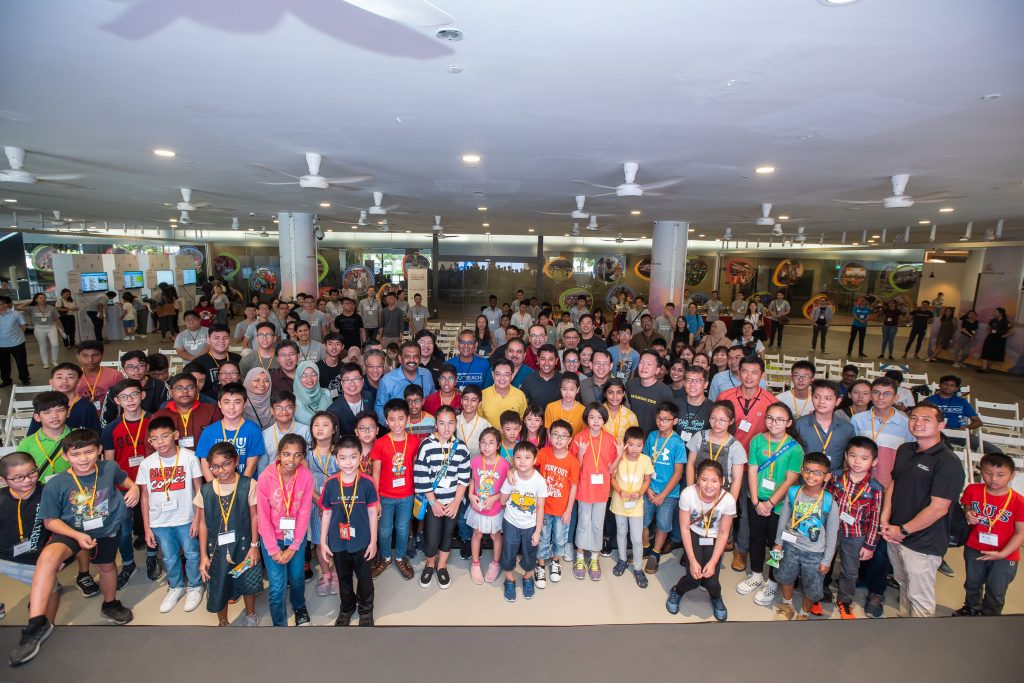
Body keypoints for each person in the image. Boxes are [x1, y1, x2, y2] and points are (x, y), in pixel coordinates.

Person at [10, 429, 138, 666]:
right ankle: (36, 623)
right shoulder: (56, 483)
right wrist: (77, 535)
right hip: (70, 530)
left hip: (106, 529)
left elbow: (125, 480)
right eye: (76, 453)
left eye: (89, 451)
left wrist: (135, 488)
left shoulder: (108, 468)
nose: (83, 458)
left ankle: (110, 604)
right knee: (48, 558)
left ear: (99, 451)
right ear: (66, 457)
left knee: (107, 567)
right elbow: (50, 521)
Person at [879, 403, 965, 617]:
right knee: (903, 584)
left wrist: (904, 530)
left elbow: (939, 508)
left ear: (941, 424)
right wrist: (885, 519)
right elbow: (893, 484)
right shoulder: (905, 449)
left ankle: (921, 640)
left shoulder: (948, 462)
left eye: (927, 419)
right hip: (894, 533)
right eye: (914, 417)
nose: (918, 423)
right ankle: (905, 626)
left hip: (923, 541)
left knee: (920, 597)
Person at [736, 403, 803, 608]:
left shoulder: (795, 448)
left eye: (780, 420)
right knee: (756, 538)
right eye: (770, 418)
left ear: (789, 423)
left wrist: (770, 503)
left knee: (777, 544)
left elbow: (790, 480)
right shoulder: (757, 440)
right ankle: (756, 574)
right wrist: (756, 501)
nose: (774, 423)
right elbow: (753, 471)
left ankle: (773, 581)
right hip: (756, 500)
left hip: (780, 505)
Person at [136, 416, 205, 614]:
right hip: (159, 521)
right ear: (150, 441)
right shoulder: (147, 464)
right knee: (169, 557)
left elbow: (199, 489)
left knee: (192, 554)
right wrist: (147, 527)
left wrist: (198, 518)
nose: (161, 442)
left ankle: (194, 585)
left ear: (175, 435)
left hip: (186, 518)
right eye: (155, 439)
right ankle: (175, 586)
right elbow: (145, 497)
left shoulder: (189, 457)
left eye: (165, 436)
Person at [195, 442, 260, 627]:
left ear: (236, 461)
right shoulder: (206, 490)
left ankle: (250, 614)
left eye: (226, 464)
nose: (221, 470)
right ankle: (223, 621)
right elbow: (203, 524)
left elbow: (255, 517)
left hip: (244, 546)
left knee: (248, 582)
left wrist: (254, 546)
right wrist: (203, 556)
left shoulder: (248, 484)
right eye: (214, 466)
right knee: (219, 585)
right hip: (216, 549)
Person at [100, 378, 156, 586]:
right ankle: (128, 562)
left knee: (153, 523)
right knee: (124, 529)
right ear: (116, 401)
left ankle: (152, 557)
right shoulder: (111, 429)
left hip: (152, 483)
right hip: (123, 487)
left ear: (143, 395)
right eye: (124, 397)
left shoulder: (154, 421)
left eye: (134, 394)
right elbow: (110, 464)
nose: (130, 400)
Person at [319, 434, 379, 626]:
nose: (348, 463)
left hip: (362, 541)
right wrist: (322, 541)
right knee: (343, 577)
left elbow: (372, 513)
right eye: (343, 458)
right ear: (336, 459)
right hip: (338, 542)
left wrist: (373, 541)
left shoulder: (367, 482)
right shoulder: (330, 484)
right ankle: (346, 608)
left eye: (353, 457)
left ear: (361, 457)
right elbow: (326, 514)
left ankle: (366, 610)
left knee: (364, 578)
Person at [665, 459, 736, 622]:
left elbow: (724, 533)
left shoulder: (728, 500)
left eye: (714, 481)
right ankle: (677, 590)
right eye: (704, 479)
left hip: (714, 537)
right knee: (694, 578)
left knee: (711, 582)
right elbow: (684, 528)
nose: (709, 485)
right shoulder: (688, 494)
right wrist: (692, 559)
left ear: (722, 481)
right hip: (694, 534)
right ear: (697, 478)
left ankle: (716, 596)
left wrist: (712, 562)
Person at [772, 451, 840, 621]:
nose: (811, 475)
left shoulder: (829, 501)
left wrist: (827, 560)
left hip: (815, 553)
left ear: (827, 476)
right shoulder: (793, 492)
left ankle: (804, 613)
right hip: (790, 546)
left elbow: (832, 533)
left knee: (813, 585)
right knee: (785, 576)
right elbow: (783, 519)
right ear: (802, 470)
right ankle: (787, 604)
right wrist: (778, 543)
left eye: (818, 473)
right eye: (807, 470)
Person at [955, 453, 1024, 617]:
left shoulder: (1018, 502)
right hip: (975, 547)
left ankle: (990, 616)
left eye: (1001, 475)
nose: (993, 479)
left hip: (1005, 554)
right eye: (987, 473)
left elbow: (1020, 534)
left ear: (1012, 475)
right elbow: (966, 505)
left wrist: (1002, 554)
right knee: (972, 583)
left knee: (996, 589)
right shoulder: (973, 489)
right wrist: (968, 513)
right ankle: (971, 607)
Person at [0, 452, 59, 641]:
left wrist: (60, 558)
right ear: (3, 479)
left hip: (35, 560)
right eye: (18, 478)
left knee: (52, 590)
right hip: (3, 557)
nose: (27, 481)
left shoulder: (49, 494)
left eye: (32, 473)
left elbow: (63, 528)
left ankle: (42, 626)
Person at [257, 433, 314, 626]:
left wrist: (294, 546)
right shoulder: (266, 477)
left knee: (297, 578)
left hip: (295, 538)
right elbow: (262, 517)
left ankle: (299, 608)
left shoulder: (306, 477)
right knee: (277, 586)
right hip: (271, 538)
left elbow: (305, 512)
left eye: (297, 455)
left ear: (303, 457)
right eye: (287, 454)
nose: (292, 460)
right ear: (279, 455)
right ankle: (279, 625)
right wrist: (273, 549)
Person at [414, 406, 471, 589]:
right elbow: (421, 476)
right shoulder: (426, 445)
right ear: (435, 424)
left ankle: (441, 566)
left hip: (452, 502)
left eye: (450, 423)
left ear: (456, 424)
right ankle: (430, 563)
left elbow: (463, 479)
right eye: (442, 423)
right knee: (432, 537)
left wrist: (455, 503)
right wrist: (433, 502)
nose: (446, 428)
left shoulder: (461, 448)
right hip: (433, 503)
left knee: (448, 534)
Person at [825, 436, 882, 619]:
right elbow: (823, 502)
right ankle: (816, 595)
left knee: (850, 570)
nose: (857, 462)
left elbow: (875, 519)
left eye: (864, 458)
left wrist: (869, 545)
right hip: (830, 530)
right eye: (853, 456)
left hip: (856, 535)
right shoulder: (835, 477)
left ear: (874, 462)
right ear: (846, 456)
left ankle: (844, 601)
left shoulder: (876, 488)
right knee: (823, 562)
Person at [571, 403, 621, 581]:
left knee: (597, 524)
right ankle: (579, 555)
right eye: (592, 417)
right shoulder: (579, 438)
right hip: (584, 488)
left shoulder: (610, 439)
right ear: (586, 418)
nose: (595, 421)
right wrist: (581, 454)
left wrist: (621, 454)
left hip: (601, 489)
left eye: (599, 418)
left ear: (604, 420)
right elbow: (575, 467)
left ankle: (594, 558)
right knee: (584, 522)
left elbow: (611, 470)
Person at [641, 403, 687, 575]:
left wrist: (663, 495)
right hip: (649, 488)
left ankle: (655, 553)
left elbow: (678, 473)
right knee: (643, 521)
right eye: (659, 418)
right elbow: (644, 463)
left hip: (668, 494)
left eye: (666, 420)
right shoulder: (652, 436)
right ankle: (646, 548)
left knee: (663, 524)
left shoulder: (677, 442)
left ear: (675, 421)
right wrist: (647, 489)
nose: (661, 422)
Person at [498, 441, 546, 602]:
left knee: (529, 552)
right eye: (518, 457)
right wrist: (509, 483)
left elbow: (540, 507)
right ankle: (509, 579)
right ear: (513, 459)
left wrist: (538, 531)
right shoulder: (512, 478)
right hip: (511, 522)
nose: (522, 461)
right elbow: (503, 501)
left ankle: (527, 577)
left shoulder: (539, 481)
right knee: (509, 551)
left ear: (534, 459)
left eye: (527, 457)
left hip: (530, 525)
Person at [535, 420, 579, 587]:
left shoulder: (573, 461)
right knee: (544, 537)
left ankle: (555, 562)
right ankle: (540, 565)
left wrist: (568, 511)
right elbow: (529, 466)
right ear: (549, 436)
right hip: (543, 509)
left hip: (562, 510)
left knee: (560, 538)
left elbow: (574, 487)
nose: (559, 439)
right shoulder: (543, 454)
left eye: (563, 436)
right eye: (555, 435)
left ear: (569, 440)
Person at [609, 426, 654, 588]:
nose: (635, 449)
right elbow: (611, 476)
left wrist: (640, 493)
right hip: (620, 503)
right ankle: (622, 560)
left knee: (636, 538)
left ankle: (638, 568)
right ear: (625, 444)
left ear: (643, 445)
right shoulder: (619, 458)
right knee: (621, 532)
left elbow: (647, 480)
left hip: (636, 505)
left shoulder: (645, 460)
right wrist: (620, 491)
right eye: (631, 444)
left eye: (639, 445)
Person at [465, 427, 509, 585]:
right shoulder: (476, 461)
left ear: (498, 445)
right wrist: (470, 494)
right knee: (476, 534)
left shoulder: (504, 465)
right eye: (483, 442)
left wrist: (495, 498)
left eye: (491, 443)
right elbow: (473, 480)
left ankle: (495, 563)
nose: (486, 446)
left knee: (495, 536)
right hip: (478, 507)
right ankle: (475, 564)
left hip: (495, 508)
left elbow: (507, 489)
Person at [196, 383, 267, 480]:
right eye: (226, 402)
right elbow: (205, 465)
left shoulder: (253, 430)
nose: (231, 407)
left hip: (245, 485)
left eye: (237, 402)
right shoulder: (209, 432)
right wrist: (214, 488)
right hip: (217, 488)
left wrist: (241, 488)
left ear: (245, 404)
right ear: (219, 404)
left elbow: (252, 464)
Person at [305, 411, 341, 596]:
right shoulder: (307, 455)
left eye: (325, 424)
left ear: (334, 429)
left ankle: (336, 573)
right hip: (316, 505)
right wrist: (321, 504)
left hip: (338, 505)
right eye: (316, 425)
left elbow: (346, 480)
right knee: (320, 541)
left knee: (337, 541)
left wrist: (332, 505)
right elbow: (306, 484)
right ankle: (326, 574)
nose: (320, 428)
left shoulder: (340, 453)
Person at [795, 379, 855, 473]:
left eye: (828, 398)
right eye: (817, 397)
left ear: (838, 401)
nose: (821, 402)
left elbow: (849, 458)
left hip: (834, 482)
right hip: (806, 479)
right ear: (811, 397)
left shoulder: (847, 428)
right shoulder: (799, 425)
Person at [152, 373, 222, 451]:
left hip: (205, 460)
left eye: (190, 387)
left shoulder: (211, 410)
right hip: (172, 462)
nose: (185, 391)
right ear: (171, 392)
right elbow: (151, 446)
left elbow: (220, 441)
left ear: (197, 390)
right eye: (179, 388)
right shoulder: (160, 416)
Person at [374, 341, 435, 423]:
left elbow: (433, 398)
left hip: (423, 427)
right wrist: (390, 425)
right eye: (407, 356)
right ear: (400, 359)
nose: (412, 360)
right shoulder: (387, 380)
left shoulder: (426, 375)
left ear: (420, 359)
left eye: (416, 356)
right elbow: (379, 407)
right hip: (397, 430)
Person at [18, 392, 73, 483]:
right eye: (47, 412)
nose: (54, 416)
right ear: (37, 417)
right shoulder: (27, 443)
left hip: (76, 490)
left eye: (60, 410)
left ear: (68, 412)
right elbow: (21, 474)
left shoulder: (80, 436)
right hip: (41, 492)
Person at [259, 390, 310, 474]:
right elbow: (262, 465)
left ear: (294, 409)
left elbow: (308, 460)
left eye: (288, 407)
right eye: (279, 408)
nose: (284, 412)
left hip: (299, 477)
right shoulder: (265, 434)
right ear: (272, 410)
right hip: (273, 478)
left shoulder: (305, 431)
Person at [626, 350, 674, 433]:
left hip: (653, 438)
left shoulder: (665, 392)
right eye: (642, 362)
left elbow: (668, 420)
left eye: (649, 364)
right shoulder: (630, 384)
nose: (644, 366)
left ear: (657, 370)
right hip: (631, 436)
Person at [20, 293, 65, 369]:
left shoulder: (51, 308)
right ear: (36, 300)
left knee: (55, 344)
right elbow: (19, 308)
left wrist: (62, 327)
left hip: (51, 327)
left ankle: (54, 360)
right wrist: (30, 302)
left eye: (44, 298)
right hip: (39, 328)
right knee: (42, 345)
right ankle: (45, 362)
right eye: (40, 298)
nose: (43, 299)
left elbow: (56, 318)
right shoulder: (32, 308)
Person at [480, 358, 527, 427]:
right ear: (493, 375)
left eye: (506, 375)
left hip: (513, 438)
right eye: (498, 374)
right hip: (488, 437)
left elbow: (523, 420)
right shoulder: (482, 395)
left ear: (512, 376)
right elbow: (478, 421)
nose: (502, 378)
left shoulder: (520, 395)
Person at [0, 296, 30, 388]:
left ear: (5, 305)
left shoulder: (15, 314)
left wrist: (19, 336)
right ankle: (6, 380)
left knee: (21, 362)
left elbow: (23, 325)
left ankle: (24, 378)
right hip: (1, 344)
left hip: (17, 343)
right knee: (3, 364)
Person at [292, 361, 332, 425]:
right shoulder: (292, 399)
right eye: (304, 376)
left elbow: (332, 419)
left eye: (313, 375)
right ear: (298, 378)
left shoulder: (326, 394)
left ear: (318, 376)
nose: (309, 379)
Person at [979, 307, 1014, 373]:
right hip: (991, 337)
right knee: (986, 352)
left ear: (1000, 313)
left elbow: (1012, 331)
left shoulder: (1006, 322)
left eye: (995, 312)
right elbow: (988, 327)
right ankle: (983, 368)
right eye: (993, 312)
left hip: (999, 339)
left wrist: (1004, 336)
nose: (993, 313)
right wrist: (989, 333)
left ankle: (987, 368)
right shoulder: (993, 320)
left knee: (995, 354)